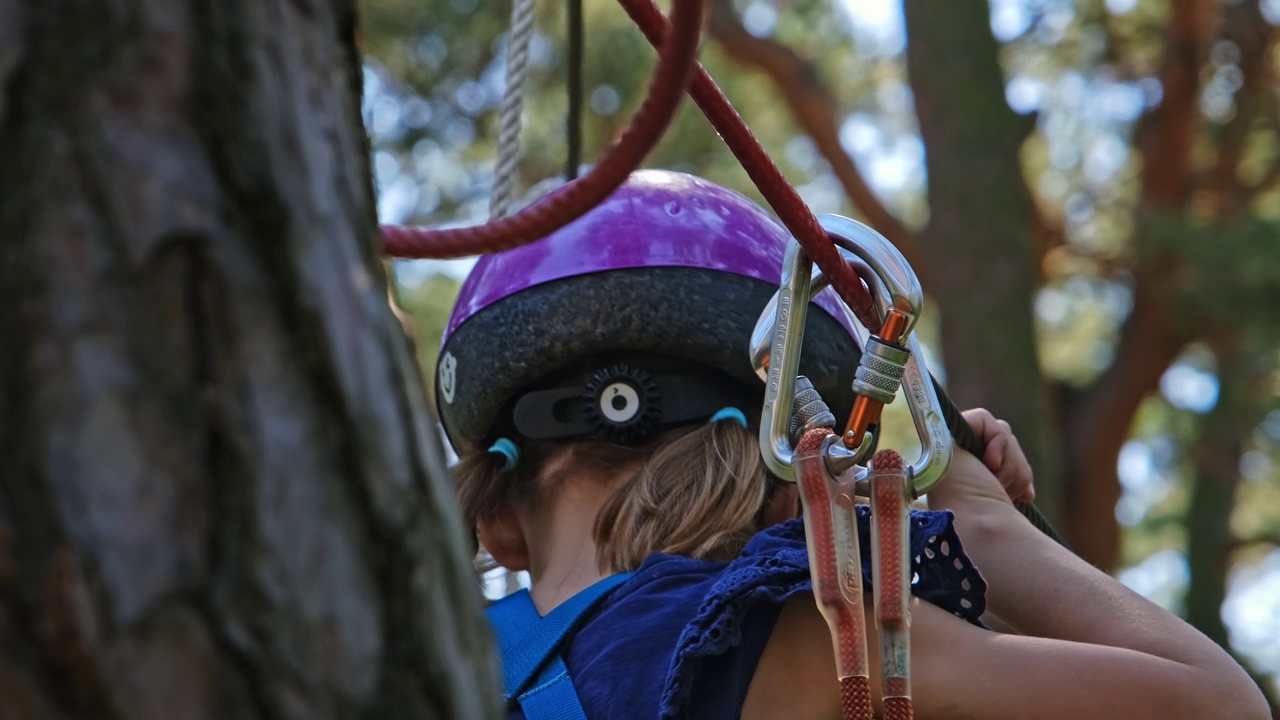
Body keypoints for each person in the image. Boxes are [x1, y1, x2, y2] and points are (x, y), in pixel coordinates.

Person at [437, 170, 1269, 719]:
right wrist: (982, 526)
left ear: (498, 521)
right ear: (784, 468)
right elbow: (1213, 705)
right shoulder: (795, 635)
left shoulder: (429, 675)